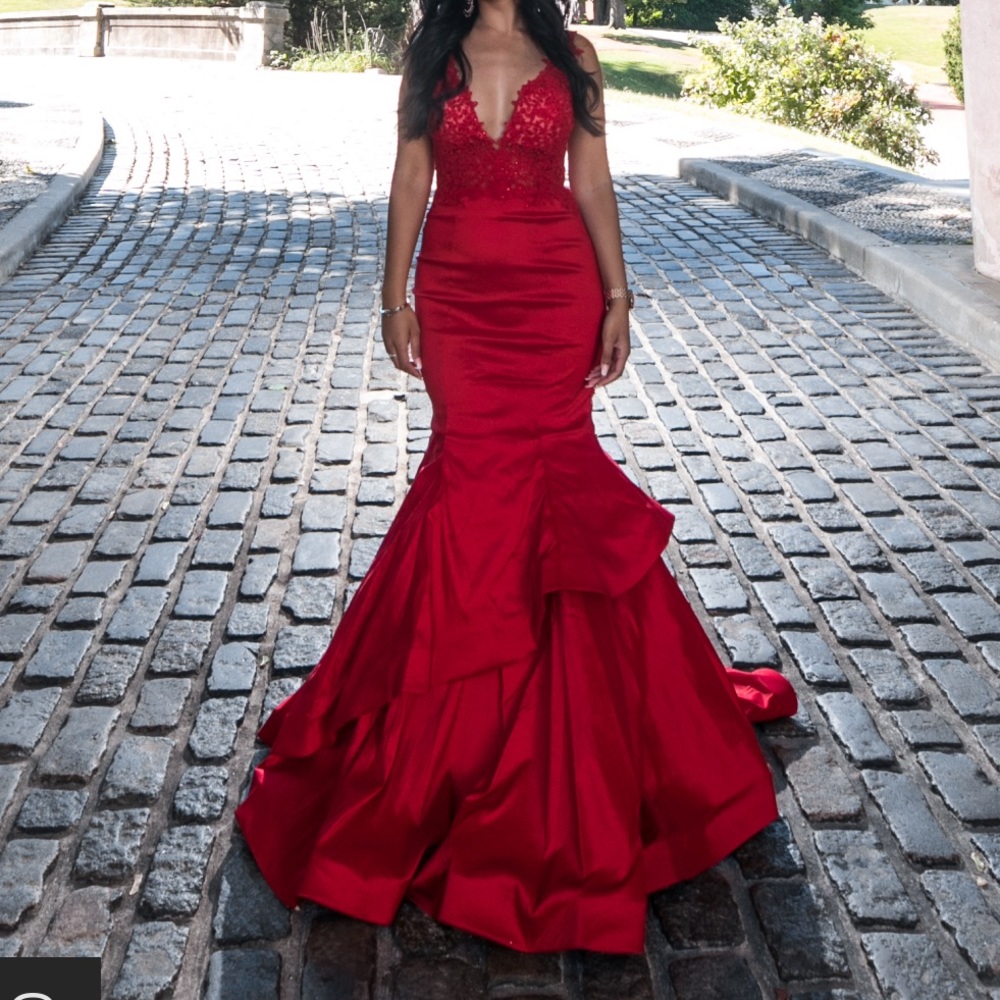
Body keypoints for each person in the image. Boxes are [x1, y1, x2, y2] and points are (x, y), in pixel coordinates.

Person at [235, 0, 798, 955]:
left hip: (553, 288)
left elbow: (593, 177)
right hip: (457, 290)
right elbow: (413, 172)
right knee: (468, 483)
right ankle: (447, 723)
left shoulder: (572, 55)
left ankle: (588, 737)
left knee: (558, 486)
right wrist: (394, 296)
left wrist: (618, 296)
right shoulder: (433, 53)